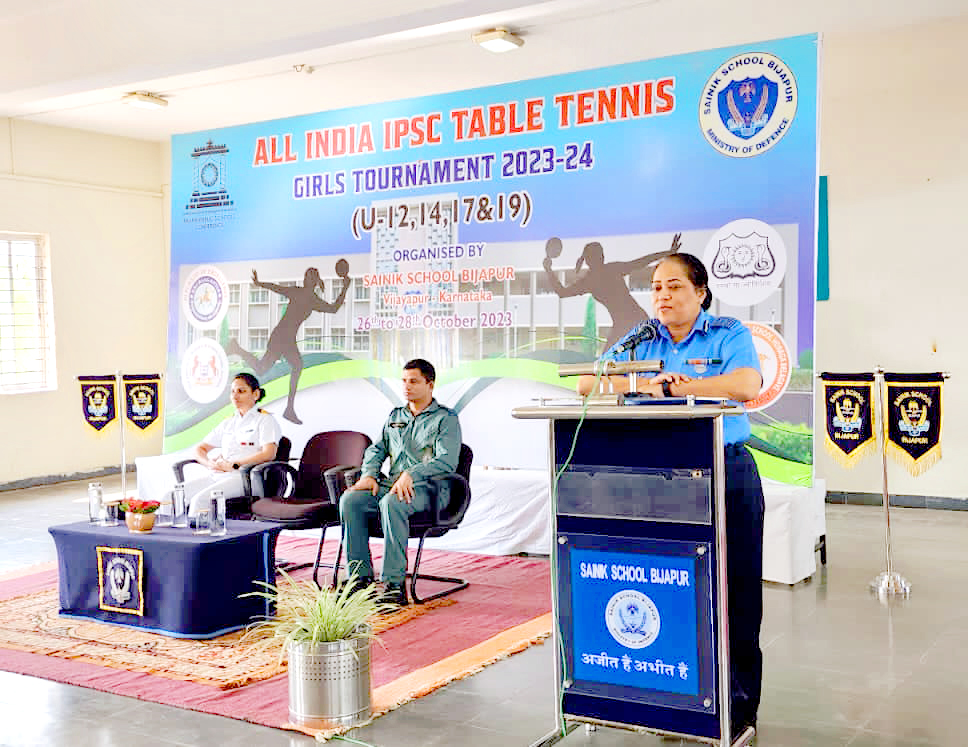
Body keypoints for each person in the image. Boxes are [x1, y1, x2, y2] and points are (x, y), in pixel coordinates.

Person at [578, 252, 764, 738]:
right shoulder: (642, 338)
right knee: (671, 584)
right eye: (656, 287)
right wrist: (644, 383)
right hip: (658, 477)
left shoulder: (727, 333)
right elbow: (586, 381)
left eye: (674, 286)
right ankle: (677, 697)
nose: (662, 295)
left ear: (700, 292)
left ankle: (738, 708)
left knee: (734, 591)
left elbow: (747, 384)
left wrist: (687, 388)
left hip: (724, 470)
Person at [338, 359, 462, 606]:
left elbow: (447, 461)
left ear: (430, 384)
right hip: (391, 484)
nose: (407, 387)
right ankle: (360, 579)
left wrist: (412, 474)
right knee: (350, 500)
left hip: (430, 488)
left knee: (392, 503)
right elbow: (377, 449)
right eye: (404, 381)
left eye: (414, 381)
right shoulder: (395, 416)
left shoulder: (445, 419)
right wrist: (369, 474)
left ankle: (394, 585)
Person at [226, 260, 349, 425]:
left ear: (310, 281)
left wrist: (259, 283)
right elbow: (277, 288)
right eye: (307, 277)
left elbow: (277, 288)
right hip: (282, 337)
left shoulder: (305, 295)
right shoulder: (309, 297)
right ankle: (289, 409)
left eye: (308, 277)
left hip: (284, 337)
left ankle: (289, 409)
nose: (306, 280)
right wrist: (345, 288)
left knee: (277, 367)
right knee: (273, 368)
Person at [542, 233, 680, 350]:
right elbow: (642, 261)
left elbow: (562, 292)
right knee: (608, 364)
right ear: (598, 257)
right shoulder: (610, 270)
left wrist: (549, 270)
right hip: (633, 320)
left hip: (630, 322)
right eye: (601, 254)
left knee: (606, 365)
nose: (602, 257)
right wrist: (668, 253)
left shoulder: (590, 280)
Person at [183, 372, 281, 517]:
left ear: (255, 394)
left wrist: (235, 465)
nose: (235, 396)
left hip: (245, 478)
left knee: (200, 501)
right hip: (218, 475)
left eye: (241, 391)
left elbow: (269, 453)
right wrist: (209, 463)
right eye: (233, 392)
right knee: (172, 496)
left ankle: (199, 538)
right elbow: (200, 449)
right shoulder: (228, 422)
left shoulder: (265, 420)